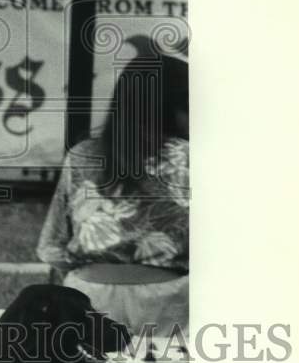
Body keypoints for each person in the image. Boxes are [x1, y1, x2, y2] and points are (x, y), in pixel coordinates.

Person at [37, 41, 189, 335]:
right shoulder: (193, 159)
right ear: (174, 107)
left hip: (87, 303)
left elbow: (52, 248)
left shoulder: (81, 156)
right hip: (167, 305)